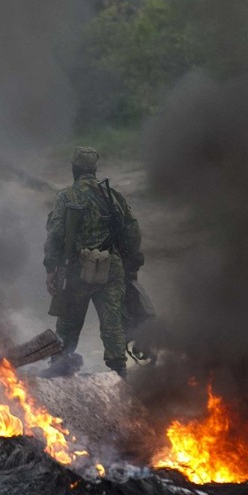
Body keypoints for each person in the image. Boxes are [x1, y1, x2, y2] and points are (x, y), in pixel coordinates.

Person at [42, 146, 143, 378]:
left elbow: (55, 234)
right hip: (110, 267)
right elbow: (133, 232)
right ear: (95, 170)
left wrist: (50, 269)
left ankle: (59, 366)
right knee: (112, 321)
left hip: (77, 269)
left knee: (68, 321)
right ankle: (119, 371)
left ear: (74, 169)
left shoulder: (66, 196)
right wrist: (131, 265)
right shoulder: (113, 196)